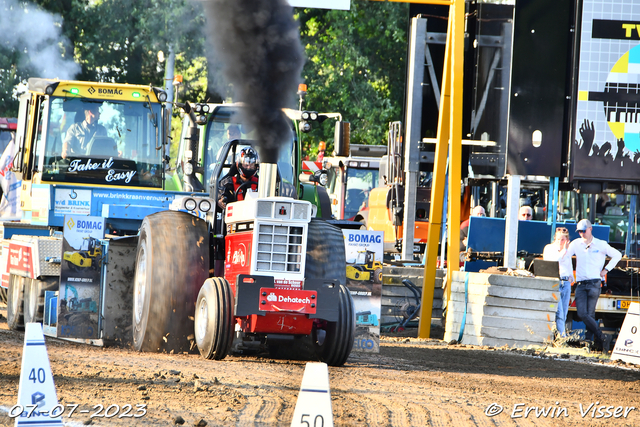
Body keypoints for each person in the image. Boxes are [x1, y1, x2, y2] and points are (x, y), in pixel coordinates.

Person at [562, 219, 621, 353]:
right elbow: (566, 256)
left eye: (583, 231)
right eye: (579, 231)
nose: (581, 234)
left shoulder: (600, 244)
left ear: (590, 229)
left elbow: (617, 255)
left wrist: (606, 270)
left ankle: (589, 340)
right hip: (582, 283)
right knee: (583, 313)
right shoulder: (576, 244)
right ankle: (601, 337)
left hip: (594, 282)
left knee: (589, 313)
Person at [543, 227, 573, 338]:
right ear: (555, 238)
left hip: (565, 281)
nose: (560, 242)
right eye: (558, 239)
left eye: (563, 240)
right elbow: (554, 261)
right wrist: (564, 250)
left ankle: (558, 335)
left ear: (567, 240)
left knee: (564, 312)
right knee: (559, 312)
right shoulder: (549, 248)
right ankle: (562, 337)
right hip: (556, 281)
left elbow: (568, 263)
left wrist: (571, 276)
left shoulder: (567, 250)